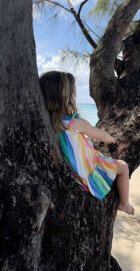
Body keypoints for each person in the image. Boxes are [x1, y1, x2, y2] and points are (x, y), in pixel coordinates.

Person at [39, 71, 134, 215]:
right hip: (87, 170)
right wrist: (110, 139)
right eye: (74, 95)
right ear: (66, 98)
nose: (75, 98)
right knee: (123, 167)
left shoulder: (54, 122)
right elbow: (100, 135)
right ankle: (124, 204)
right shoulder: (75, 122)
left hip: (74, 170)